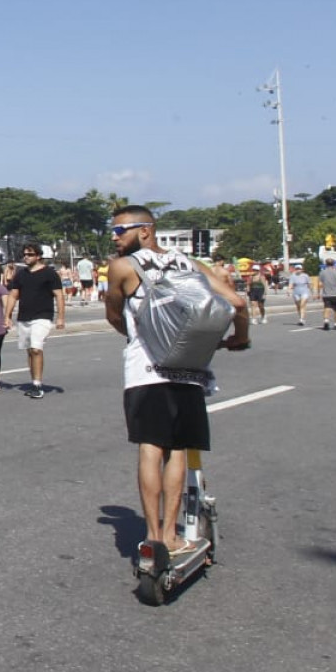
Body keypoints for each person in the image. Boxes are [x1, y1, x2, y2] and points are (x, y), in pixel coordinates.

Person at [102, 206, 248, 558]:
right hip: (189, 369)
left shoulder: (123, 267)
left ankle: (154, 536)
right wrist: (238, 339)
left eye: (122, 230)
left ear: (147, 230)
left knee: (150, 448)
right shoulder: (191, 265)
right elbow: (237, 303)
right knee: (179, 449)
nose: (115, 236)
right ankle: (171, 535)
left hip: (145, 370)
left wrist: (136, 336)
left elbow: (113, 314)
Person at [4, 243, 65, 399]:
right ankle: (34, 381)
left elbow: (59, 295)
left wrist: (60, 317)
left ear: (38, 256)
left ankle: (37, 385)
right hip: (24, 317)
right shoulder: (21, 274)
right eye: (24, 254)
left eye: (30, 254)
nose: (26, 257)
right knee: (30, 350)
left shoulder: (50, 274)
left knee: (36, 348)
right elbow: (13, 295)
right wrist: (7, 316)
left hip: (43, 316)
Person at [317, 259, 336, 330]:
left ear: (326, 264)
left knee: (327, 308)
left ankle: (326, 320)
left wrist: (318, 293)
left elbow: (320, 284)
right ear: (333, 264)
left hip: (326, 294)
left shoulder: (322, 273)